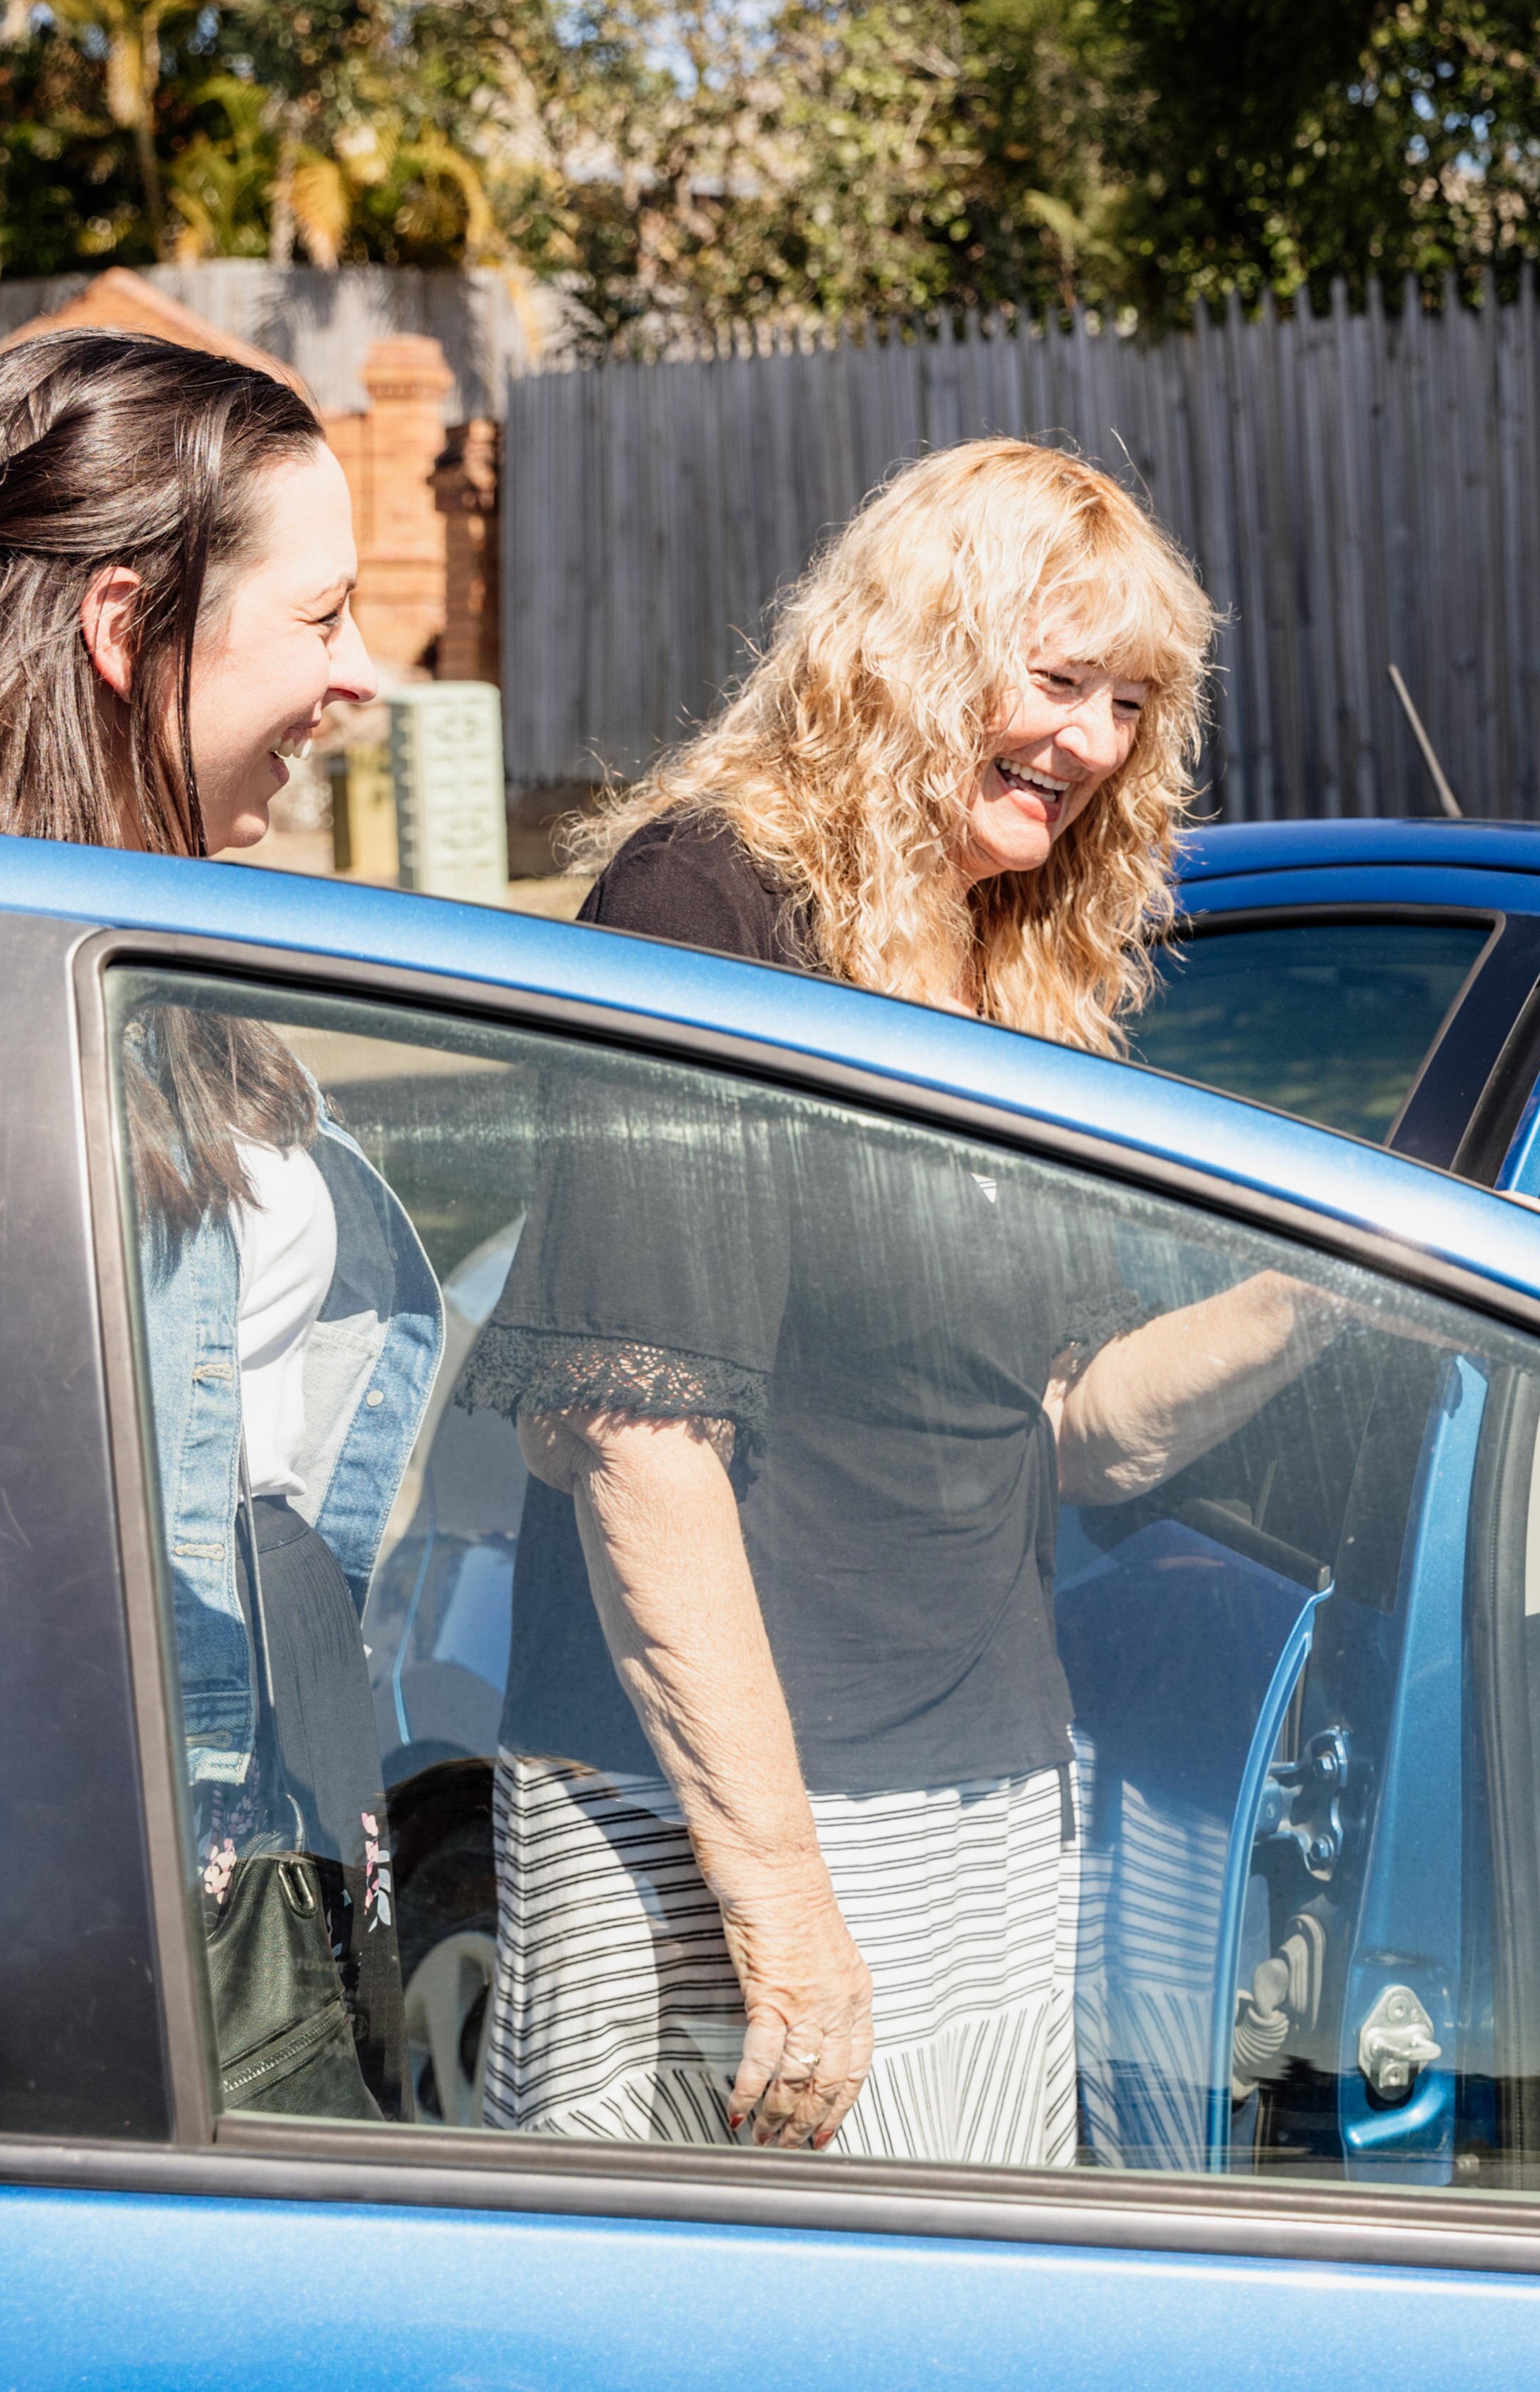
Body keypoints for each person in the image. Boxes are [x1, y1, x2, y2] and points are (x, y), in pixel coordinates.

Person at [459, 438, 1348, 2160]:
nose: (1094, 740)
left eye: (1132, 704)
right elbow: (634, 1434)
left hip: (984, 1793)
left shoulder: (1005, 966)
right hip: (712, 1825)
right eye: (1060, 676)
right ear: (914, 645)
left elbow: (1069, 1426)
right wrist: (781, 1894)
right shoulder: (705, 908)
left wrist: (1334, 1282)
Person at [0, 328, 422, 2109]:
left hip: (231, 1905)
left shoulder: (131, 947)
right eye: (322, 620)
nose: (367, 683)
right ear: (126, 632)